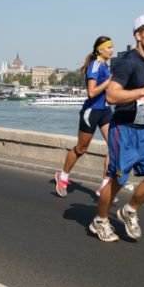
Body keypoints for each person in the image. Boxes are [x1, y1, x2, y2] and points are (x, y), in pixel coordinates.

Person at [89, 14, 144, 242]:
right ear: (138, 35)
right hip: (123, 130)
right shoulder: (127, 62)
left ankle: (129, 210)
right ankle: (100, 220)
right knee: (118, 182)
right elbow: (112, 95)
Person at [54, 36, 115, 199]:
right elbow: (92, 92)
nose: (112, 50)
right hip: (92, 111)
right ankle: (63, 176)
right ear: (100, 49)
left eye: (112, 47)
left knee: (115, 145)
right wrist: (109, 81)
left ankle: (105, 185)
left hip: (105, 110)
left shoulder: (105, 66)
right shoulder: (95, 65)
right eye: (109, 47)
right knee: (82, 148)